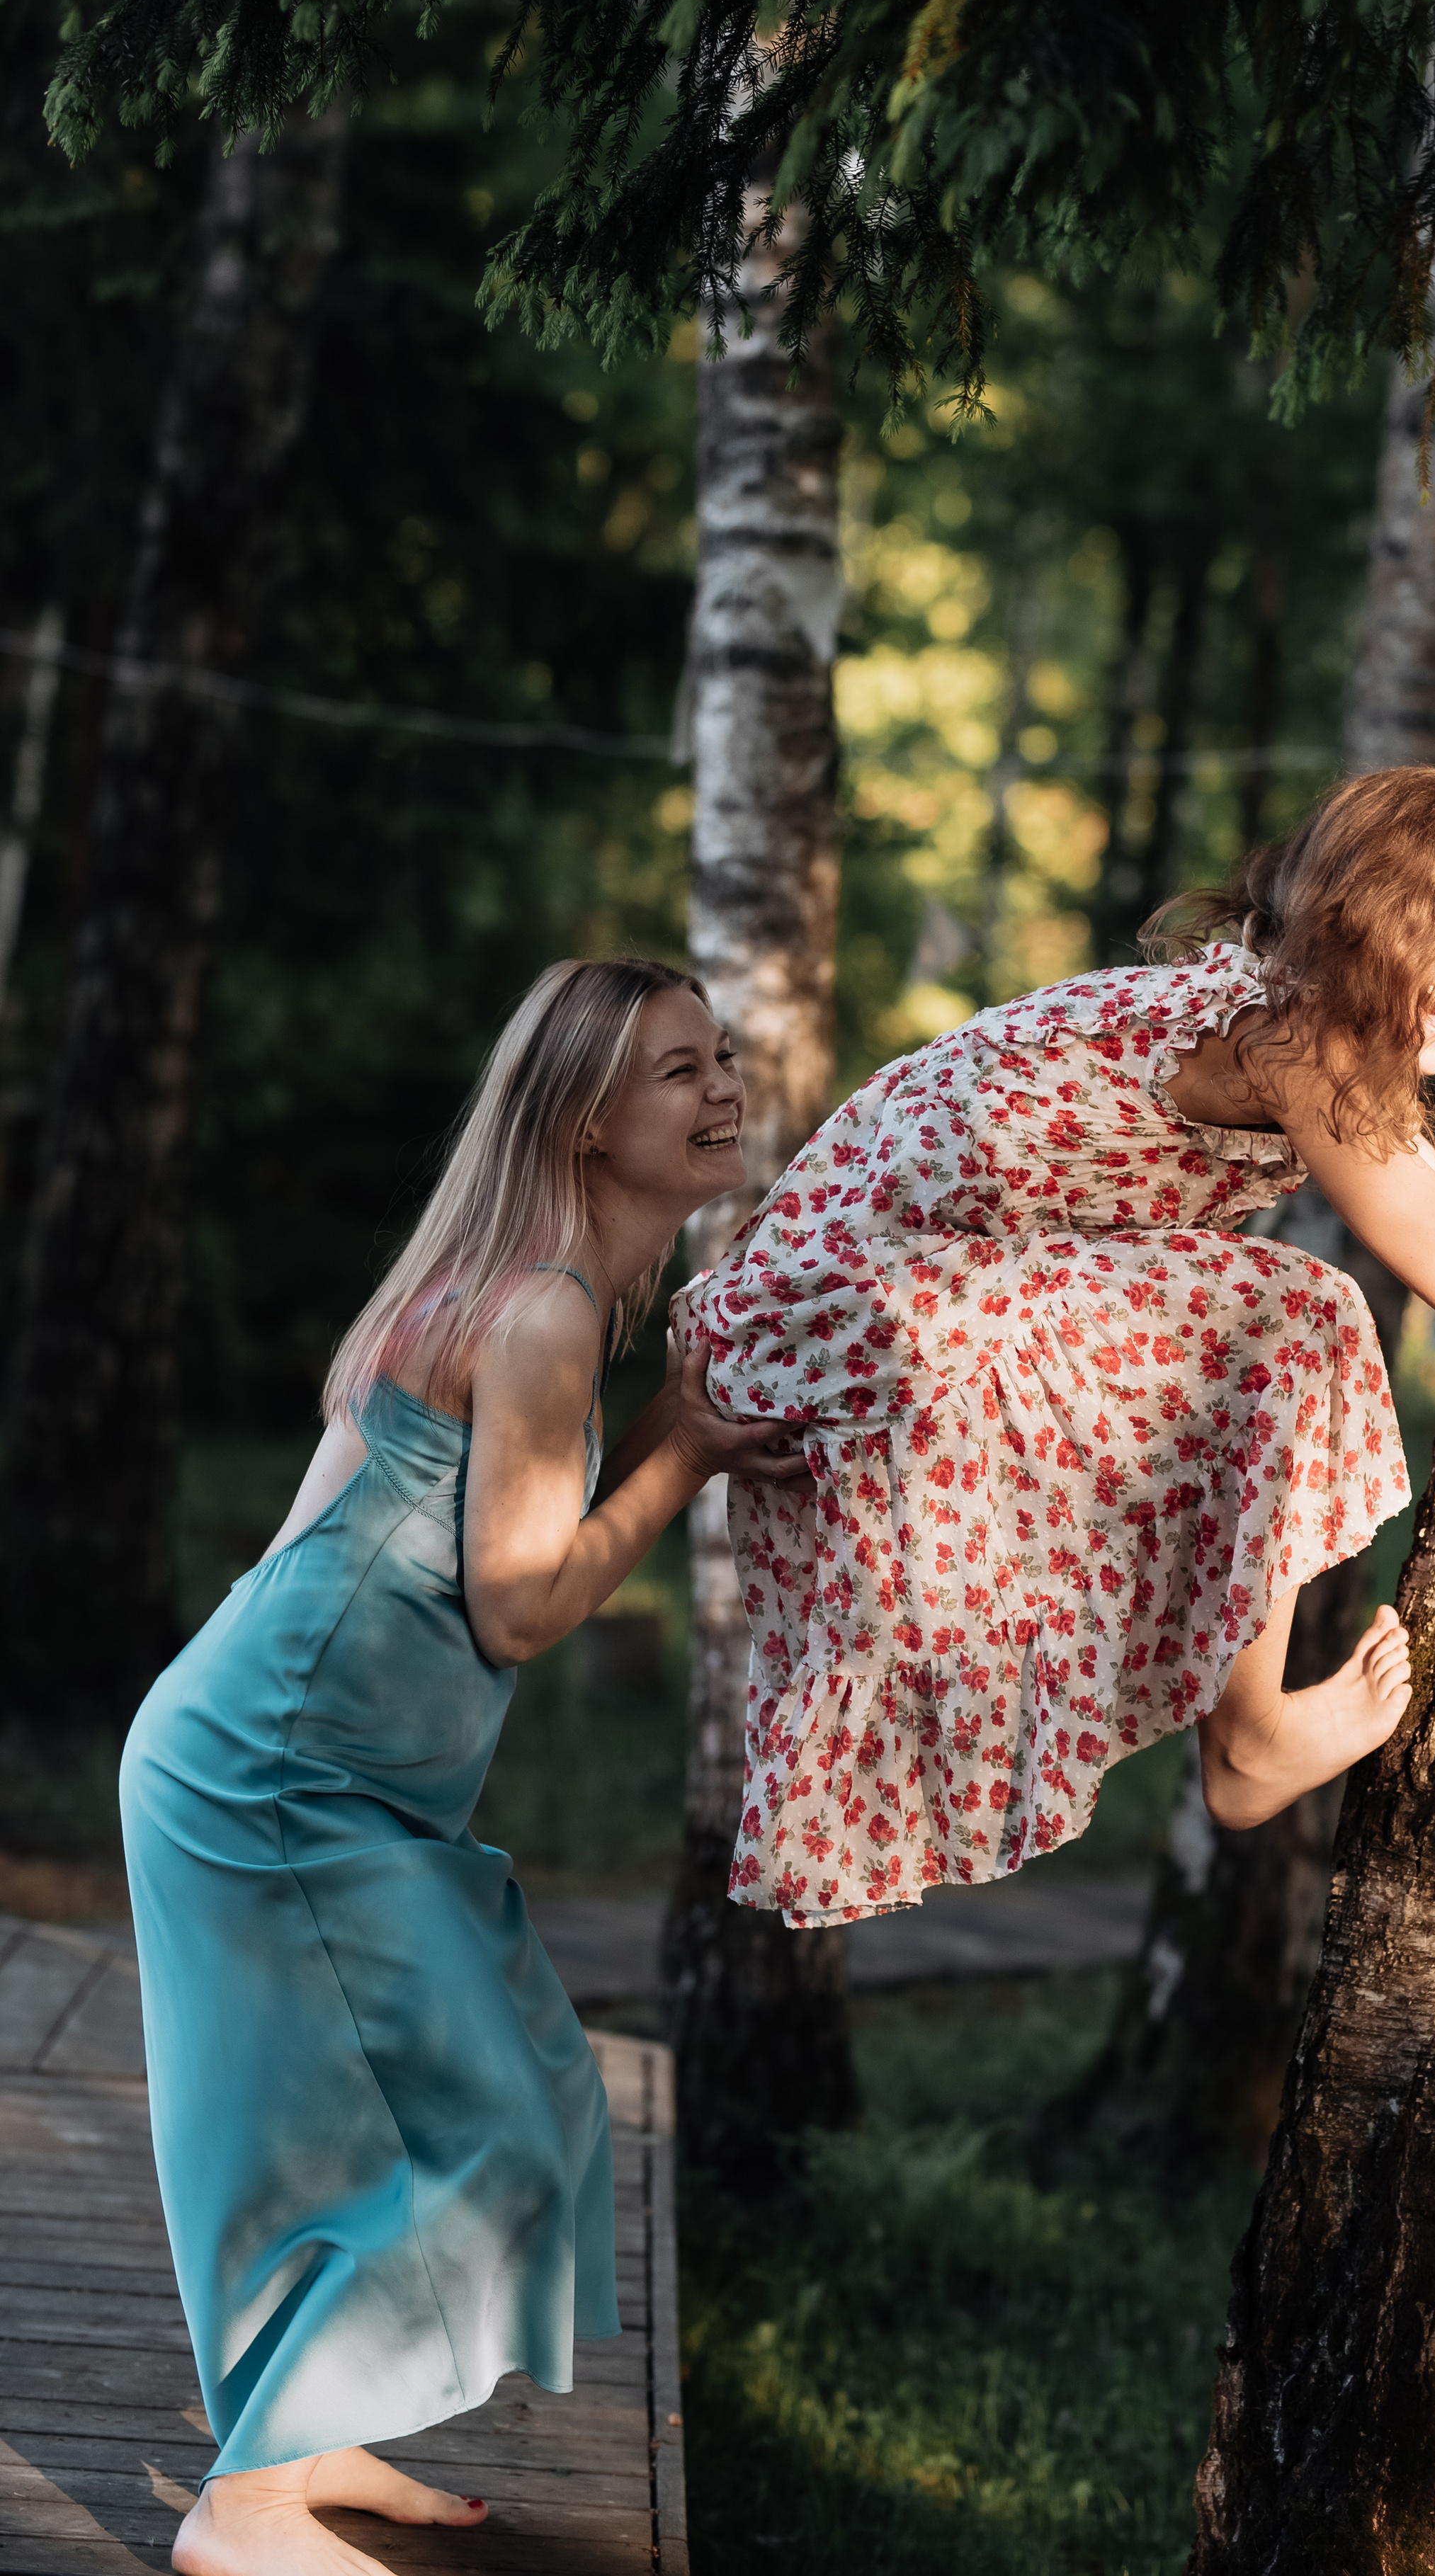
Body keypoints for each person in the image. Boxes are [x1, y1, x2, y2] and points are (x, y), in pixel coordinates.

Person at [689, 766, 1435, 1927]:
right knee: (1294, 1318)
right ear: (1368, 918)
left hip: (875, 1286)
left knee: (1281, 1313)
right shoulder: (1299, 1039)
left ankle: (1247, 1731)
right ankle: (1251, 1736)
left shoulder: (1293, 1005)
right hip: (873, 1298)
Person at [121, 957, 805, 2576]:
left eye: (720, 1057)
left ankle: (295, 2448)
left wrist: (671, 1432)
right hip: (278, 1778)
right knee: (493, 2127)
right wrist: (683, 1457)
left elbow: (322, 1533)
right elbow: (520, 1608)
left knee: (363, 2129)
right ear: (583, 1122)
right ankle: (242, 2512)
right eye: (677, 1072)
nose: (722, 1088)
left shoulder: (499, 1284)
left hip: (272, 1757)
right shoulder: (540, 1309)